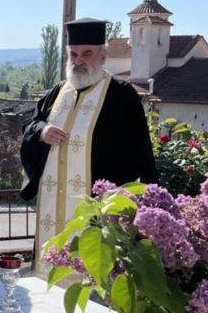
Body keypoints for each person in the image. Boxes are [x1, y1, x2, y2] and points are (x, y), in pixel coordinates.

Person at [20, 17, 157, 277]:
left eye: (87, 53)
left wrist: (147, 206)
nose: (78, 60)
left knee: (92, 281)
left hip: (98, 210)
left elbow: (142, 153)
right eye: (73, 54)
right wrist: (42, 131)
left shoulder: (122, 95)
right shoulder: (59, 91)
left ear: (103, 56)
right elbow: (31, 124)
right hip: (53, 207)